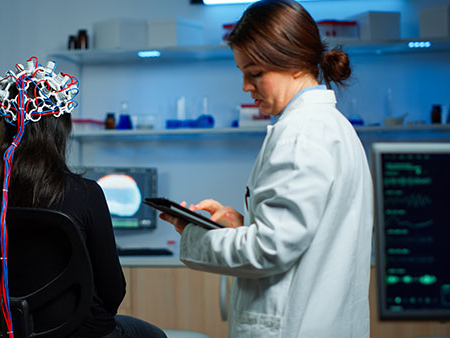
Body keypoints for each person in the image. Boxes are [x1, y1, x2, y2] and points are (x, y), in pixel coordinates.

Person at [160, 1, 373, 337]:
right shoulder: (332, 127)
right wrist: (237, 225)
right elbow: (299, 236)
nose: (246, 86)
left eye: (255, 73)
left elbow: (269, 250)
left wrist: (194, 236)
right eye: (243, 73)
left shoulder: (301, 134)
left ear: (294, 63)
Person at [0, 57, 166, 338]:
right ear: (61, 129)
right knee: (152, 334)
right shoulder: (84, 194)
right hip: (83, 333)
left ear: (3, 126)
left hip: (8, 332)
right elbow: (113, 291)